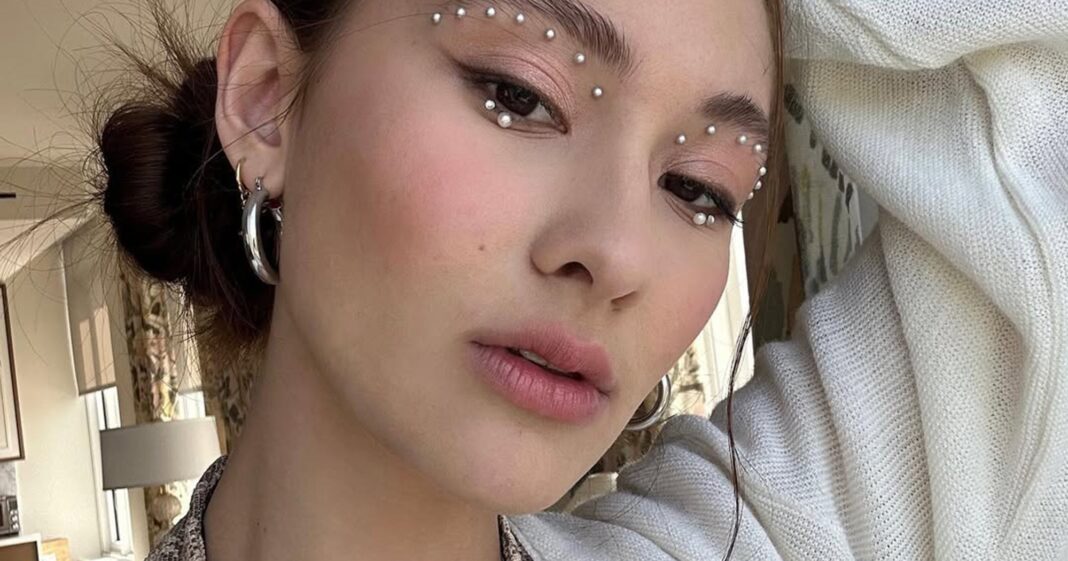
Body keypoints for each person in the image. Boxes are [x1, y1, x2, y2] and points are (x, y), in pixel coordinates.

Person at [83, 0, 1067, 559]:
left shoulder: (761, 535)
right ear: (266, 100)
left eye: (698, 186)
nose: (618, 253)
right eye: (518, 96)